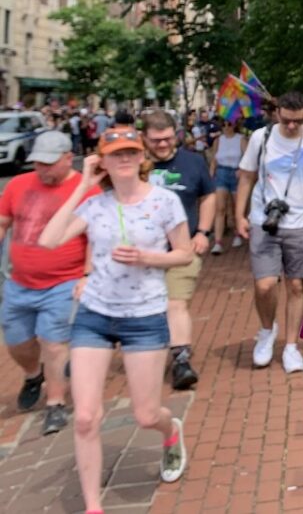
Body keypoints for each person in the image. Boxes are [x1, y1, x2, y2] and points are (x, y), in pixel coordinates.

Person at [39, 128, 193, 511]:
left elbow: (185, 254)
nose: (123, 159)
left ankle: (169, 429)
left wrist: (148, 258)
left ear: (141, 158)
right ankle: (93, 505)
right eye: (115, 154)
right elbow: (48, 239)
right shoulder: (94, 205)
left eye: (130, 152)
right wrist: (82, 185)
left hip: (144, 316)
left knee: (145, 414)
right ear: (102, 160)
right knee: (86, 418)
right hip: (95, 315)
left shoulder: (165, 201)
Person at [235, 91, 303, 373]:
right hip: (264, 221)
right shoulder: (262, 138)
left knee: (297, 285)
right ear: (277, 113)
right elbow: (246, 177)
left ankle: (291, 346)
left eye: (298, 121)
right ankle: (266, 330)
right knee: (265, 284)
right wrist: (239, 215)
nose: (292, 126)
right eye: (286, 121)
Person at [0, 132, 97, 435]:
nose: (42, 169)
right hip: (19, 282)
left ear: (68, 157)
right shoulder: (18, 185)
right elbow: (3, 222)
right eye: (38, 163)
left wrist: (86, 275)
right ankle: (32, 374)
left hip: (62, 282)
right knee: (17, 341)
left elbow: (94, 237)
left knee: (54, 343)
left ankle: (55, 403)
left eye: (49, 164)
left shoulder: (87, 190)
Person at [142, 109, 217, 390]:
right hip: (141, 253)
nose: (162, 145)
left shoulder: (193, 161)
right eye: (155, 140)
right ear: (144, 139)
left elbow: (207, 196)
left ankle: (181, 360)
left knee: (176, 303)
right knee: (148, 308)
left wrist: (203, 232)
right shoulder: (134, 165)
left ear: (176, 135)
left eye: (167, 138)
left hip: (182, 248)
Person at [209, 118, 247, 255]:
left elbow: (248, 157)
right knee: (220, 208)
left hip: (236, 173)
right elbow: (214, 159)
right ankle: (218, 242)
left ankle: (237, 233)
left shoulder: (240, 139)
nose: (226, 127)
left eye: (229, 124)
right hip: (222, 172)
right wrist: (211, 174)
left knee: (236, 206)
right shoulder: (218, 140)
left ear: (235, 124)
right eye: (223, 124)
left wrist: (242, 169)